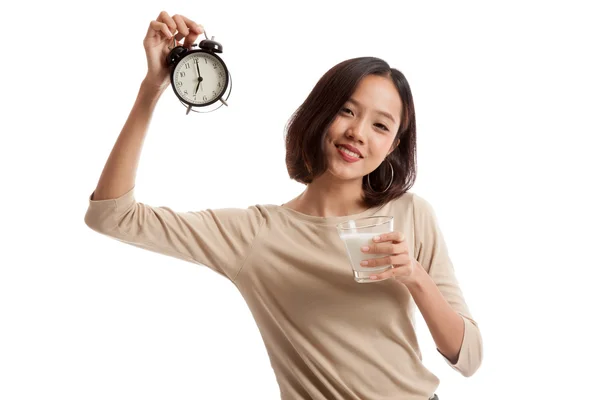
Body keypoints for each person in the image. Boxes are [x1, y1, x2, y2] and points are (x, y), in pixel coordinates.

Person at [84, 11, 483, 400]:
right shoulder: (257, 234)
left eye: (380, 125)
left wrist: (414, 276)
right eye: (347, 110)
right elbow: (111, 216)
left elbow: (468, 357)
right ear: (321, 113)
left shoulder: (412, 214)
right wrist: (151, 89)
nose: (357, 133)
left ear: (393, 145)